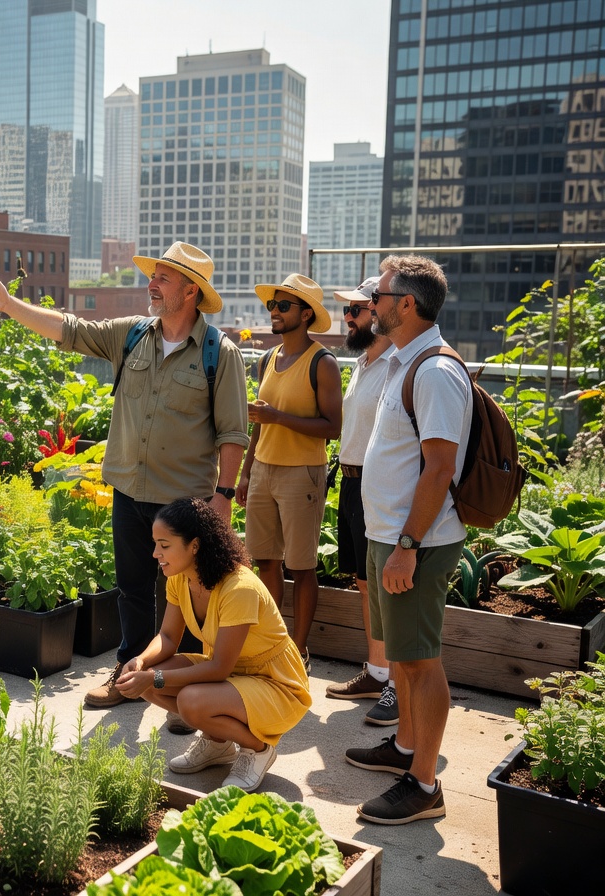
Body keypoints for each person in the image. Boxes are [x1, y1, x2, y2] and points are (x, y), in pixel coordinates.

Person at [0, 242, 249, 714]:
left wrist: (223, 498)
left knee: (192, 601)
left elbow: (233, 434)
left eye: (164, 278)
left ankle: (185, 690)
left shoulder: (221, 354)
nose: (152, 285)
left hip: (183, 503)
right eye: (153, 275)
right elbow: (70, 330)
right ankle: (127, 673)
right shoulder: (132, 335)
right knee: (132, 591)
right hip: (129, 490)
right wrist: (9, 306)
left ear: (191, 291)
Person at [344, 255, 471, 825]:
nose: (373, 303)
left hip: (413, 544)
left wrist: (408, 545)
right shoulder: (403, 360)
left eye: (383, 295)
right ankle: (402, 750)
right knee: (402, 657)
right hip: (390, 537)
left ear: (407, 306)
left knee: (420, 663)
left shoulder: (436, 371)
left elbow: (440, 468)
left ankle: (424, 785)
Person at [115, 498, 311, 793]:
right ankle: (218, 743)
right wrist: (141, 663)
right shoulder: (181, 578)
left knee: (189, 701)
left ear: (194, 545)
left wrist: (155, 677)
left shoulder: (239, 587)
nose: (155, 553)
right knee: (145, 680)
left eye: (164, 545)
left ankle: (258, 748)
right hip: (231, 675)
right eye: (155, 544)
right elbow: (168, 638)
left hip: (276, 684)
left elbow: (219, 668)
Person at [235, 273, 342, 656]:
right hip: (264, 469)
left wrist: (277, 417)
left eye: (283, 306)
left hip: (302, 474)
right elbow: (261, 426)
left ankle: (298, 653)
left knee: (301, 567)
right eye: (272, 305)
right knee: (265, 561)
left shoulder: (323, 363)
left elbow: (333, 427)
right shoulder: (268, 359)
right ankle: (271, 645)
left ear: (307, 314)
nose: (275, 312)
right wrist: (247, 473)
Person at [324, 277, 398, 725]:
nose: (347, 318)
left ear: (379, 312)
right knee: (363, 581)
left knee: (384, 589)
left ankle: (394, 683)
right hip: (351, 484)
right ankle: (376, 670)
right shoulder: (365, 364)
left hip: (377, 486)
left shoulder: (395, 365)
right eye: (347, 310)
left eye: (356, 309)